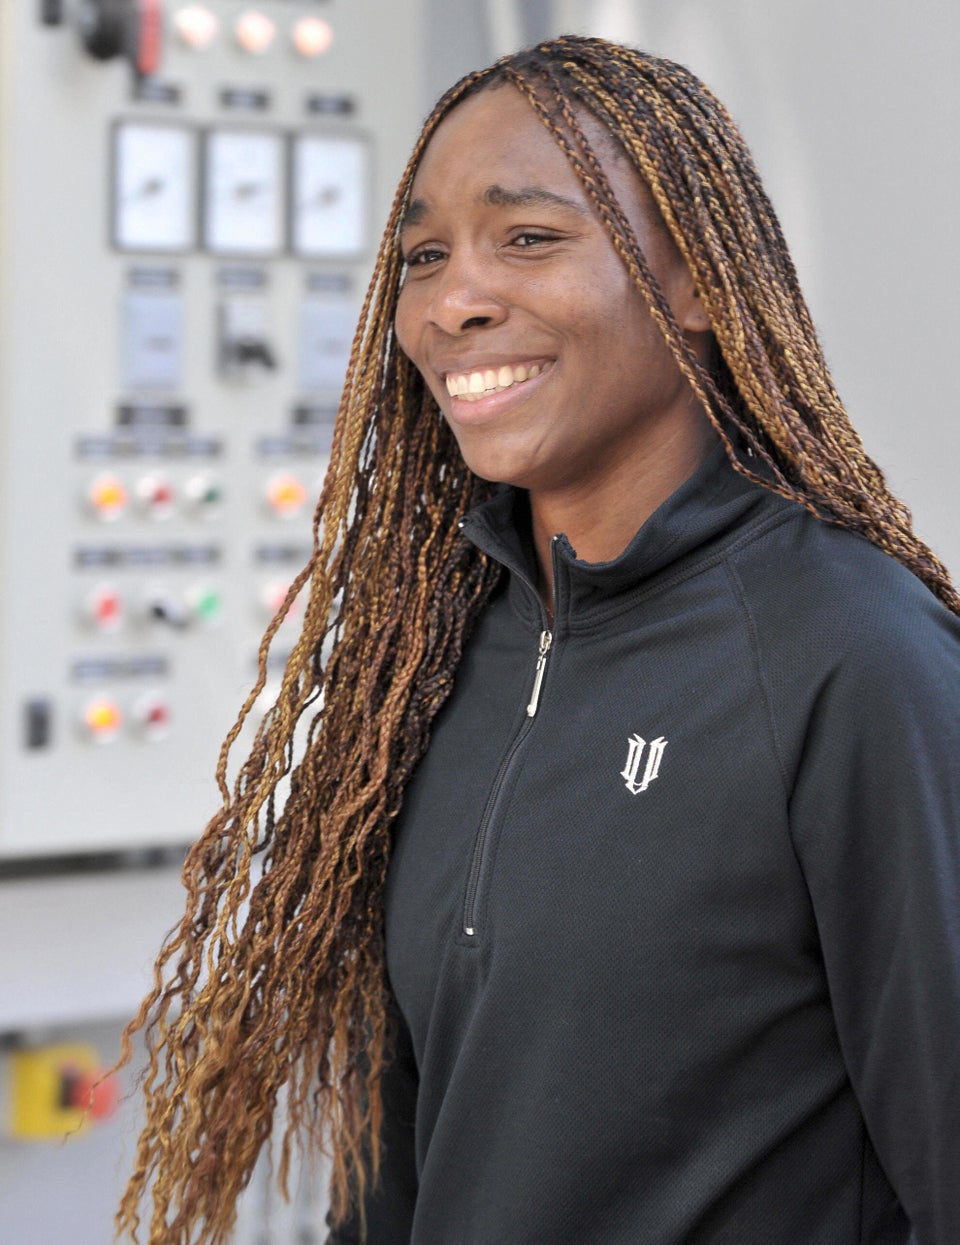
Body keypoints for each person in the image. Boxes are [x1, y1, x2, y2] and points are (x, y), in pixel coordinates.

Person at [115, 36, 960, 1245]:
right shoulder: (441, 665)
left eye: (529, 238)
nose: (455, 299)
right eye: (423, 256)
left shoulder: (854, 656)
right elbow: (395, 1174)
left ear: (700, 282)